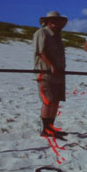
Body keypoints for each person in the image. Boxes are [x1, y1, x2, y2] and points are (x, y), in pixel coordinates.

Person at [33, 10, 68, 139]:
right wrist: (51, 66)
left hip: (59, 74)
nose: (55, 23)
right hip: (46, 73)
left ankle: (51, 128)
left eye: (57, 21)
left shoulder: (57, 34)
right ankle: (45, 129)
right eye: (52, 20)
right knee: (48, 100)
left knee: (56, 101)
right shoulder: (41, 32)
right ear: (47, 21)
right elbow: (40, 52)